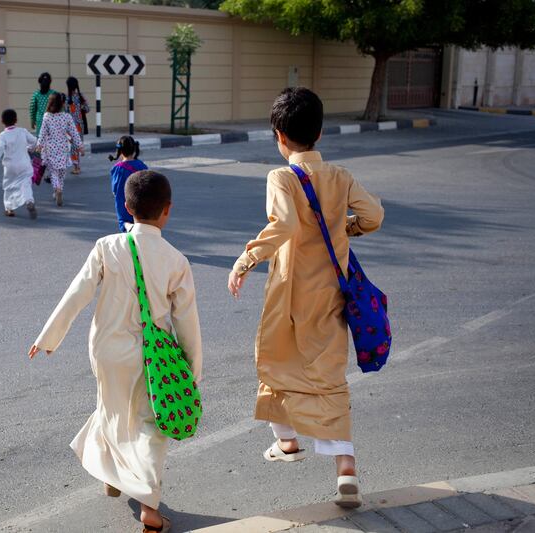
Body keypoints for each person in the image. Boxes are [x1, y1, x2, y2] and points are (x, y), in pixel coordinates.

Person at [227, 87, 384, 508]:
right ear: (319, 132)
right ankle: (346, 471)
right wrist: (344, 230)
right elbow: (373, 216)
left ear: (279, 135)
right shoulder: (340, 176)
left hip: (290, 294)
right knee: (329, 375)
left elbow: (284, 225)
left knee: (275, 364)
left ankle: (288, 442)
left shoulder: (280, 177)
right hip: (332, 293)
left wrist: (245, 259)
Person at [29, 170, 202, 532]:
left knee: (111, 409)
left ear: (126, 207)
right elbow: (187, 323)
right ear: (167, 211)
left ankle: (111, 476)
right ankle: (149, 509)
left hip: (106, 351)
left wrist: (49, 337)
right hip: (152, 359)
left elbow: (78, 293)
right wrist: (191, 372)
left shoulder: (107, 247)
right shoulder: (176, 261)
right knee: (148, 427)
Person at [36, 93, 83, 207]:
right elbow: (74, 133)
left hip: (50, 148)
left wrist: (39, 145)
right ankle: (59, 189)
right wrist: (80, 146)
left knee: (53, 172)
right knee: (62, 171)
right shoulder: (67, 117)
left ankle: (56, 188)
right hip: (63, 147)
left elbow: (42, 132)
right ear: (62, 104)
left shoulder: (47, 116)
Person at [0, 108, 38, 219]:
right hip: (24, 164)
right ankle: (29, 200)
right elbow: (35, 141)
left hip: (10, 166)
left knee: (8, 186)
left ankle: (9, 208)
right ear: (16, 119)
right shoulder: (22, 131)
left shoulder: (2, 136)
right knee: (26, 184)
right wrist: (30, 148)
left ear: (2, 121)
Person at [109, 135, 147, 232]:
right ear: (134, 149)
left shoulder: (117, 168)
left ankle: (128, 228)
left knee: (124, 224)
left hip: (124, 203)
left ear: (120, 151)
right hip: (141, 204)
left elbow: (115, 190)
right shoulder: (141, 165)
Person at [66, 76, 90, 174]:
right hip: (80, 125)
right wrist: (82, 106)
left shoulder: (67, 99)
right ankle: (77, 165)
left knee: (73, 146)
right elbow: (88, 109)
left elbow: (65, 113)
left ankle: (76, 167)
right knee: (76, 145)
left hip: (70, 125)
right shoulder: (81, 97)